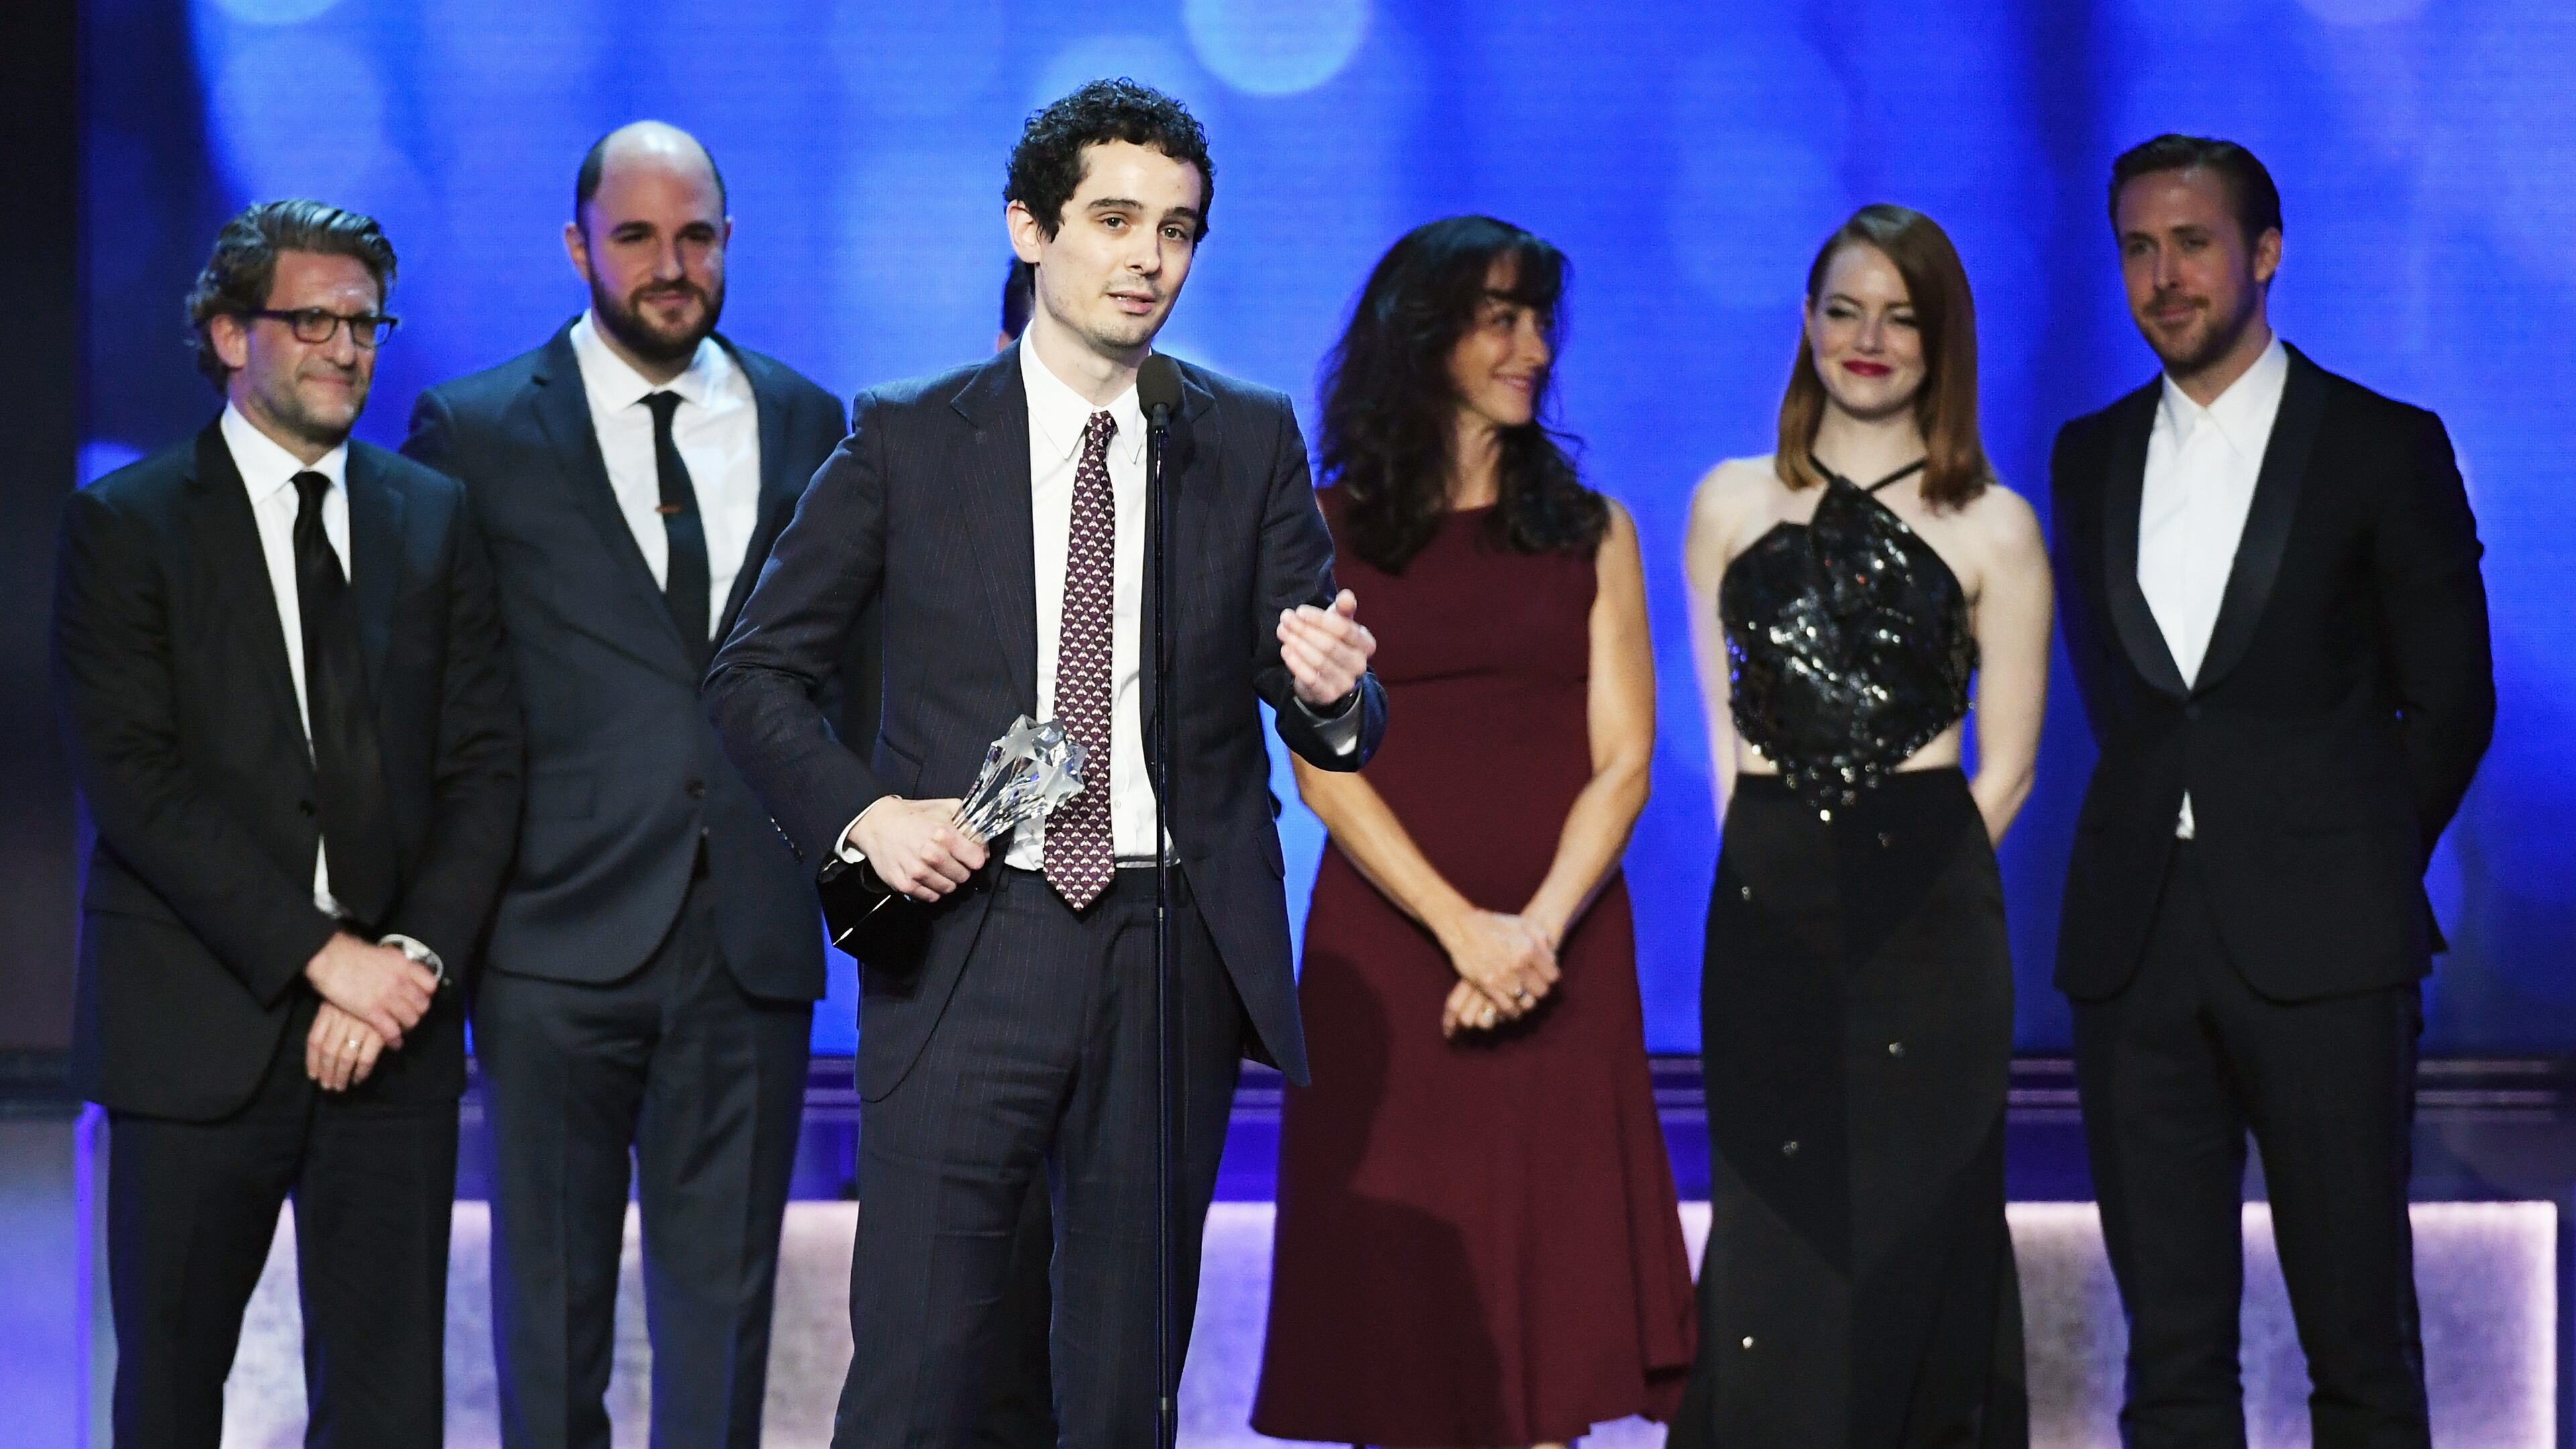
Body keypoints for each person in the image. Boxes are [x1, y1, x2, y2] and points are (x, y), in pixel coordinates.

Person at [703, 80, 1388, 1446]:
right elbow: (753, 675)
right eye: (1116, 221)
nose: (1150, 259)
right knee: (920, 1376)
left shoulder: (1244, 437)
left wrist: (1333, 697)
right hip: (974, 938)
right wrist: (866, 817)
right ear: (1030, 228)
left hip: (1167, 948)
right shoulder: (910, 434)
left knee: (1125, 1387)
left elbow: (1322, 701)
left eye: (1178, 231)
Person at [401, 121, 850, 1449]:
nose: (670, 265)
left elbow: (842, 675)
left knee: (726, 1323)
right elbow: (434, 697)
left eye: (696, 236)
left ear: (728, 240)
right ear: (577, 246)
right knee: (549, 1322)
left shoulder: (807, 420)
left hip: (749, 938)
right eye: (638, 236)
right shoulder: (476, 429)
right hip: (551, 938)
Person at [52, 199, 521, 1448]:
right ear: (227, 334)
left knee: (386, 1408)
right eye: (313, 320)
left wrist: (406, 963)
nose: (345, 348)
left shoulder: (434, 516)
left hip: (393, 1040)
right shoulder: (126, 524)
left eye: (364, 324)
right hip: (196, 1032)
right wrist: (327, 961)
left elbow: (485, 768)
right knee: (170, 1394)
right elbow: (137, 785)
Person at [2050, 136, 2493, 1449]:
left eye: (2192, 244)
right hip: (2136, 945)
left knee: (2359, 1341)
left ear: (2266, 252)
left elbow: (2452, 700)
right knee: (2171, 1356)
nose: (2163, 277)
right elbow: (2122, 700)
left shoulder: (2380, 444)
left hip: (2330, 946)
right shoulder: (2088, 454)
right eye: (2138, 248)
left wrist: (2349, 857)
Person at [1251, 215, 1694, 1449]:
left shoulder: (1596, 530)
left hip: (1562, 960)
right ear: (1425, 336)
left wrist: (1529, 940)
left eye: (1541, 320)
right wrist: (1464, 935)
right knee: (1395, 1334)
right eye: (1501, 320)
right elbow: (1323, 771)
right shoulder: (1321, 532)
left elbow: (1626, 762)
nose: (1534, 348)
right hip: (1390, 963)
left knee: (1545, 1328)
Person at [1675, 203, 2051, 1446]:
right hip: (1767, 890)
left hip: (1932, 913)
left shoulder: (1994, 522)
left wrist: (1908, 892)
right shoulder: (1729, 503)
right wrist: (1777, 874)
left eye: (1900, 317)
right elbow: (1724, 736)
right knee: (1773, 1222)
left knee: (1920, 1224)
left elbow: (2012, 767)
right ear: (1807, 323)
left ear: (1942, 340)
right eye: (1845, 311)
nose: (1869, 339)